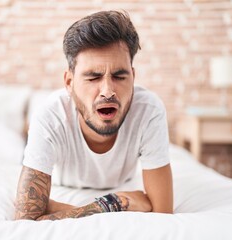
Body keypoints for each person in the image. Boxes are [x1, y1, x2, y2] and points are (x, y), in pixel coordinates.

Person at [14, 10, 173, 221]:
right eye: (93, 78)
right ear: (69, 83)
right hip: (62, 182)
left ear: (133, 77)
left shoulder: (149, 110)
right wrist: (112, 204)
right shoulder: (49, 114)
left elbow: (163, 213)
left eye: (119, 76)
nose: (108, 91)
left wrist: (58, 210)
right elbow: (26, 216)